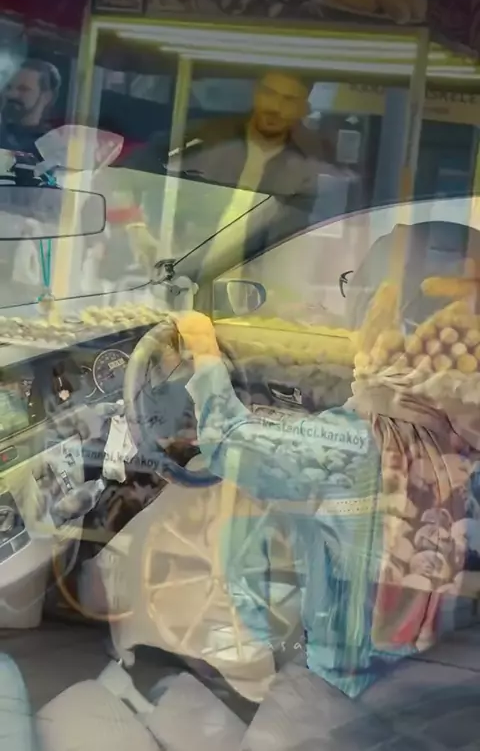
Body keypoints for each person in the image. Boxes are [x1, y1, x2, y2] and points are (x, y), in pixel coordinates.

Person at [170, 307, 480, 701]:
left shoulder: (349, 441)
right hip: (446, 691)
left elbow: (229, 440)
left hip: (347, 691)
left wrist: (203, 347)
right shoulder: (463, 449)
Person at [104, 69, 343, 275]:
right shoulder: (205, 138)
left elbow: (308, 237)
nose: (275, 108)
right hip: (177, 279)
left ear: (303, 109)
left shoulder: (310, 165)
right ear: (255, 93)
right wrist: (136, 230)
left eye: (289, 100)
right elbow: (121, 174)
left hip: (254, 295)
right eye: (269, 93)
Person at [0, 59, 61, 158]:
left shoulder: (52, 146)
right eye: (8, 87)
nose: (11, 94)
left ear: (46, 97)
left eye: (23, 89)